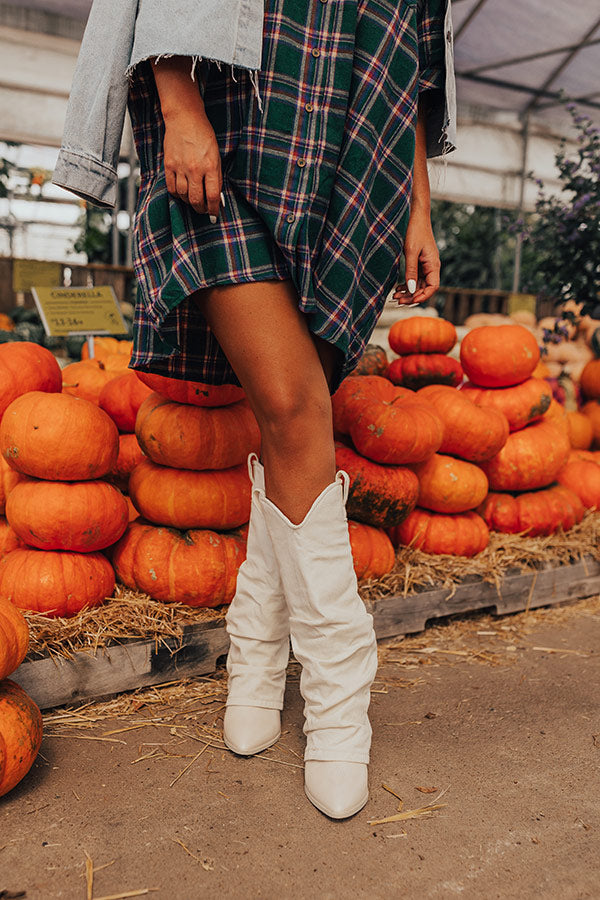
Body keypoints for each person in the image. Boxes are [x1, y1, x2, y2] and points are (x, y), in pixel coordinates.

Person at [53, 0, 456, 820]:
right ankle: (342, 699)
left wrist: (417, 199)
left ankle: (257, 653)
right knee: (293, 400)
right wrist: (177, 100)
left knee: (287, 419)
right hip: (237, 114)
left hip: (356, 150)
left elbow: (411, 55)